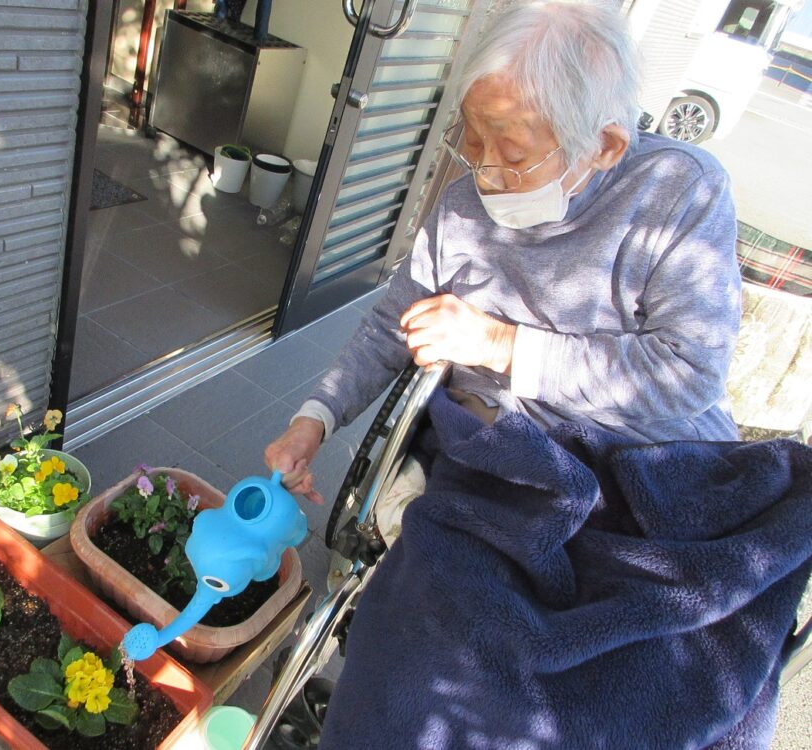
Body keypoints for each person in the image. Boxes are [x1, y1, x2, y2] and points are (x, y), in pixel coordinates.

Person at [265, 0, 742, 516]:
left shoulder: (678, 192)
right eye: (473, 142)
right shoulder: (459, 208)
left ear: (603, 146)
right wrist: (313, 420)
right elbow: (391, 327)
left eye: (513, 155)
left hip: (636, 462)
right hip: (496, 452)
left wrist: (501, 345)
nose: (486, 174)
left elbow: (688, 371)